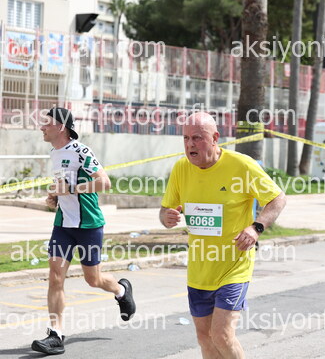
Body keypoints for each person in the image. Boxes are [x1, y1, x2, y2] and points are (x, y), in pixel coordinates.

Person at [160, 112, 286, 358]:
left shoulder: (241, 165)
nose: (190, 144)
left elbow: (277, 198)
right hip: (199, 269)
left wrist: (256, 227)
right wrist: (167, 217)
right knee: (204, 337)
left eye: (197, 137)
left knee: (221, 334)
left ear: (215, 138)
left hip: (234, 267)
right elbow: (166, 210)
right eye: (186, 138)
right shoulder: (181, 168)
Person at [33, 107, 136, 355]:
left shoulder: (81, 151)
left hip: (89, 225)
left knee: (93, 279)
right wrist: (55, 196)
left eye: (47, 123)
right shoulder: (54, 152)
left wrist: (70, 190)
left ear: (61, 127)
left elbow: (104, 182)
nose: (42, 127)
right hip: (63, 225)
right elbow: (64, 184)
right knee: (55, 276)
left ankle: (121, 291)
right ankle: (56, 334)